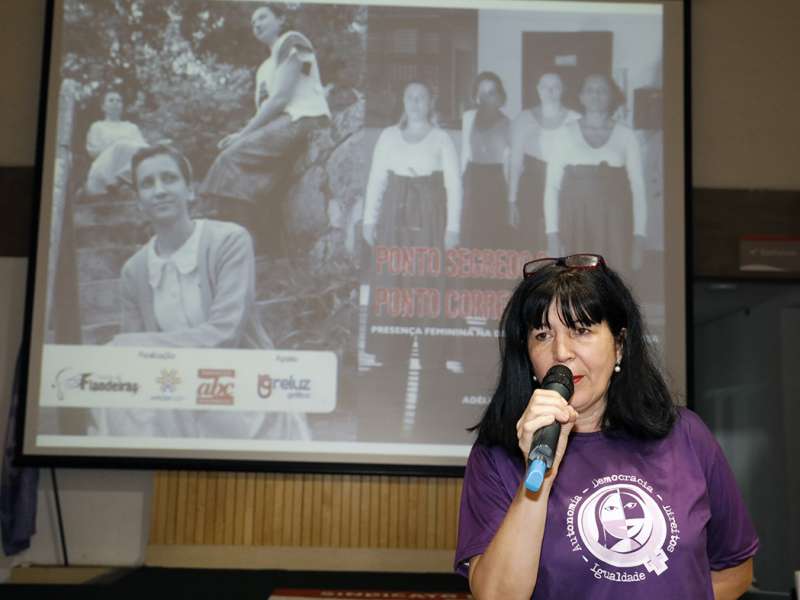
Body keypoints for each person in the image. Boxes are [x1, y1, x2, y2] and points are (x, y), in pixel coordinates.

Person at [455, 253, 758, 599]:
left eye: (581, 330)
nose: (562, 352)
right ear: (527, 357)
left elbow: (735, 568)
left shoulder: (685, 434)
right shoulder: (497, 455)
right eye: (542, 334)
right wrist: (538, 476)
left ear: (619, 345)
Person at [91, 143, 309, 439]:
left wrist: (131, 347)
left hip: (239, 385)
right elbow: (136, 359)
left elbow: (225, 334)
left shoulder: (229, 241)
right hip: (174, 390)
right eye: (147, 184)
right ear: (139, 202)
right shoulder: (134, 271)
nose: (159, 190)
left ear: (190, 190)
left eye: (169, 178)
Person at [198, 3, 331, 252]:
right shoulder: (263, 69)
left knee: (230, 158)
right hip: (283, 126)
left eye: (262, 17)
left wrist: (242, 136)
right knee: (254, 182)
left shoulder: (293, 41)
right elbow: (265, 111)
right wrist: (242, 135)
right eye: (253, 22)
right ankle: (248, 246)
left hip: (305, 118)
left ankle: (210, 225)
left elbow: (281, 99)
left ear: (280, 19)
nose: (256, 24)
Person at [360, 80, 461, 371]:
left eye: (421, 97)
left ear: (430, 102)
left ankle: (433, 350)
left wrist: (452, 227)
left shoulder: (441, 138)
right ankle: (390, 349)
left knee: (427, 277)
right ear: (403, 102)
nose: (415, 103)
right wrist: (370, 219)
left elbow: (454, 186)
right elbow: (377, 180)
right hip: (395, 214)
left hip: (430, 215)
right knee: (394, 278)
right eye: (410, 97)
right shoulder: (389, 136)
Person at [543, 74, 647, 276]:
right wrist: (552, 234)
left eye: (602, 90)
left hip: (615, 224)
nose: (595, 95)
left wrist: (639, 237)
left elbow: (638, 188)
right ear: (580, 96)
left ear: (612, 96)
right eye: (590, 90)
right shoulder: (565, 133)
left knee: (611, 285)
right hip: (575, 222)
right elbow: (552, 186)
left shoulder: (626, 135)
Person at [508, 73, 579, 252]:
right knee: (528, 240)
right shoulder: (523, 119)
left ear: (563, 89)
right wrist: (512, 200)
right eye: (544, 86)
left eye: (555, 86)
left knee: (562, 239)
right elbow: (515, 163)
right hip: (531, 184)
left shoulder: (576, 119)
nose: (550, 90)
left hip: (565, 184)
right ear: (538, 90)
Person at [460, 71, 511, 249]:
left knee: (493, 234)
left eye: (491, 92)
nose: (485, 98)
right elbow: (464, 153)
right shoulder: (467, 118)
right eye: (481, 93)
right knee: (470, 233)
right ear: (475, 96)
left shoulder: (508, 124)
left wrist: (510, 198)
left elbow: (508, 165)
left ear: (500, 96)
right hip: (472, 177)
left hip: (496, 181)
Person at [85, 90, 148, 196]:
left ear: (122, 106)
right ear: (103, 107)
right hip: (105, 167)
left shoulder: (131, 127)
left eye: (119, 101)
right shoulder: (97, 126)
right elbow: (93, 152)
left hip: (130, 168)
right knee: (121, 145)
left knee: (145, 150)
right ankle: (116, 182)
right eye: (111, 100)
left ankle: (123, 180)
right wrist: (117, 148)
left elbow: (143, 150)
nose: (115, 103)